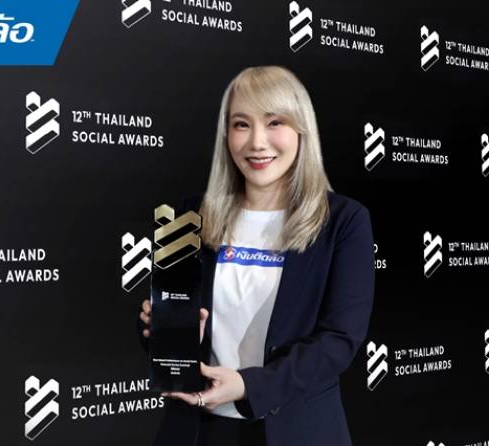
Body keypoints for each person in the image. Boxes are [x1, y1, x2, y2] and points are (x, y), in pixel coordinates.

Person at [137, 65, 375, 446]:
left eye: (274, 122)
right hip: (198, 431)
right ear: (226, 134)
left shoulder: (344, 221)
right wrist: (164, 329)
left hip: (299, 431)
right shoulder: (187, 216)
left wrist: (248, 385)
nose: (257, 142)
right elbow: (162, 339)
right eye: (241, 124)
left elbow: (338, 340)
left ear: (301, 129)